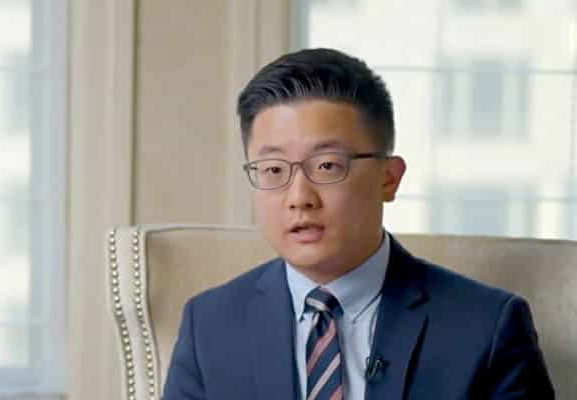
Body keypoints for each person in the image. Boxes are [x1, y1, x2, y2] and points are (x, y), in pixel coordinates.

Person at [163, 48, 554, 399]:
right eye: (273, 169)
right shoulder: (209, 326)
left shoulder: (487, 327)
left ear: (389, 178)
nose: (299, 197)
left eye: (327, 165)